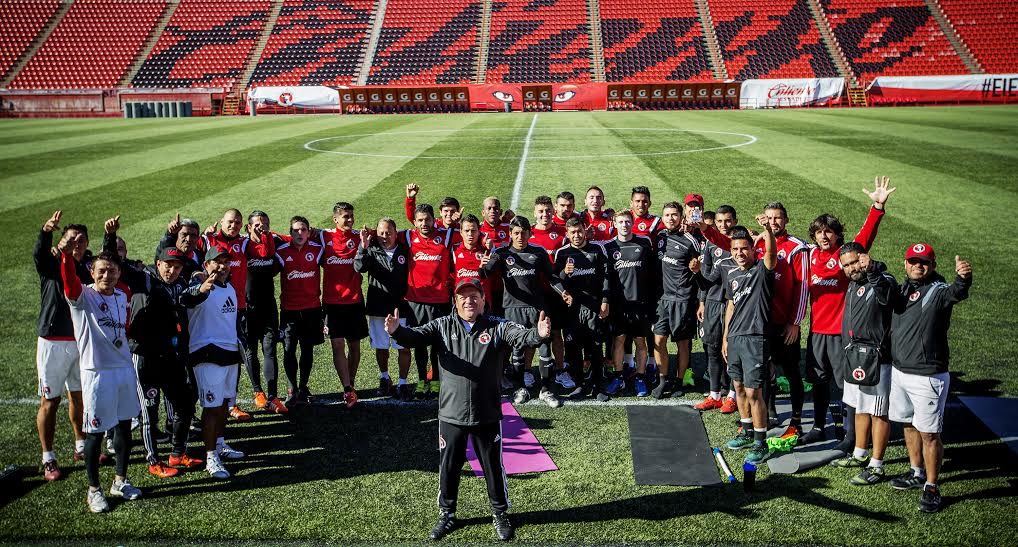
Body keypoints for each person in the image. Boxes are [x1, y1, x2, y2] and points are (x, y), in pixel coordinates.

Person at [386, 278, 552, 542]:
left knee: (493, 467)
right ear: (455, 301)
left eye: (475, 296)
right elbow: (415, 337)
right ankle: (447, 514)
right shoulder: (442, 325)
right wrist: (396, 331)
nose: (469, 300)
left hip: (487, 413)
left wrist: (540, 334)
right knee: (449, 466)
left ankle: (499, 513)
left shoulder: (498, 326)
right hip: (451, 414)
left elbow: (522, 337)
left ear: (484, 300)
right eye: (463, 296)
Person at [800, 177, 894, 447]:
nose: (823, 236)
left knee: (847, 386)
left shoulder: (845, 256)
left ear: (838, 234)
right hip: (817, 331)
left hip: (843, 334)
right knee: (818, 382)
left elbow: (866, 236)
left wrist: (876, 208)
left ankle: (850, 435)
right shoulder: (808, 257)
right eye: (819, 232)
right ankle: (818, 427)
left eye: (829, 231)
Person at [701, 202, 808, 437]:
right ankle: (767, 415)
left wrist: (795, 321)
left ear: (786, 219)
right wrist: (705, 229)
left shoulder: (796, 247)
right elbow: (729, 245)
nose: (772, 222)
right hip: (761, 324)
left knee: (791, 371)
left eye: (777, 218)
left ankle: (797, 420)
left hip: (785, 322)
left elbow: (802, 287)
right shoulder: (754, 246)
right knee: (763, 373)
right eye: (769, 218)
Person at [887, 244, 972, 513]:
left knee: (930, 434)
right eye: (913, 261)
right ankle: (916, 472)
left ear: (933, 265)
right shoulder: (903, 288)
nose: (917, 266)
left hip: (928, 376)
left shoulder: (939, 290)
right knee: (908, 424)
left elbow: (956, 293)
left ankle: (932, 486)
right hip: (900, 371)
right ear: (905, 263)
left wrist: (963, 278)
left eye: (923, 262)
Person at [61, 248, 142, 512]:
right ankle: (93, 490)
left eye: (112, 271)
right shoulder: (83, 296)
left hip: (123, 368)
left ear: (119, 273)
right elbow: (69, 282)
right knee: (95, 433)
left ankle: (120, 480)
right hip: (96, 373)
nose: (107, 275)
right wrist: (65, 258)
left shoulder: (122, 295)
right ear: (92, 273)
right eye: (101, 271)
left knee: (124, 427)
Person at [481, 216, 569, 408]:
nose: (520, 237)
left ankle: (546, 390)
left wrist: (563, 292)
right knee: (517, 350)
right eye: (516, 233)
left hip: (538, 308)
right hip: (512, 309)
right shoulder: (502, 253)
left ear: (530, 233)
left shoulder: (538, 252)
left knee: (545, 347)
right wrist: (484, 265)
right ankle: (520, 388)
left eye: (524, 233)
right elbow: (486, 273)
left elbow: (552, 277)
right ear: (511, 234)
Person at [200, 208, 276, 422]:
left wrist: (263, 235)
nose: (233, 226)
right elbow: (185, 251)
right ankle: (211, 402)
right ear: (222, 222)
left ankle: (231, 404)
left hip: (238, 307)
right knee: (212, 355)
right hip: (211, 308)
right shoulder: (208, 240)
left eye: (237, 223)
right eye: (230, 222)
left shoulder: (243, 243)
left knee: (235, 355)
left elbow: (264, 253)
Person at [829, 243, 895, 485]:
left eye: (855, 262)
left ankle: (877, 465)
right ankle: (859, 453)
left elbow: (888, 296)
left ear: (865, 258)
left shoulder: (883, 278)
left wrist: (874, 270)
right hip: (855, 356)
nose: (851, 268)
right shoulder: (853, 283)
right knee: (859, 407)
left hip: (877, 359)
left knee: (878, 412)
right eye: (846, 265)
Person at [180, 246, 247, 480]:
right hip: (207, 353)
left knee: (224, 406)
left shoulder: (229, 287)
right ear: (206, 265)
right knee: (211, 407)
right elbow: (186, 298)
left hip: (229, 353)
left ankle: (220, 445)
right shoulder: (199, 288)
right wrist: (200, 288)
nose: (222, 266)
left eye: (226, 262)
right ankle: (210, 457)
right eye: (216, 262)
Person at [34, 211, 89, 481]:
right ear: (62, 242)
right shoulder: (51, 263)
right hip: (53, 342)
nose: (77, 244)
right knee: (50, 401)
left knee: (78, 396)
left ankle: (81, 445)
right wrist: (45, 233)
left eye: (81, 240)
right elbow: (39, 256)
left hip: (79, 342)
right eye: (71, 240)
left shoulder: (86, 266)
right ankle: (49, 457)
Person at [722, 218, 778, 465]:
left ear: (753, 249)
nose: (739, 253)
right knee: (739, 387)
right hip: (734, 339)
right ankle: (746, 432)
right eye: (735, 249)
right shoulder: (732, 274)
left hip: (755, 339)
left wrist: (767, 233)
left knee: (755, 392)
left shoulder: (762, 271)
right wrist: (725, 337)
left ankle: (760, 442)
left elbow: (771, 255)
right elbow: (731, 306)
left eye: (744, 248)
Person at [355, 217, 412, 400]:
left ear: (396, 233)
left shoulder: (405, 250)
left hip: (402, 307)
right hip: (378, 307)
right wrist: (363, 246)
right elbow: (359, 267)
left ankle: (403, 383)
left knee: (403, 347)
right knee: (381, 347)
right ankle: (384, 378)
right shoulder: (371, 249)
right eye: (380, 233)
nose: (384, 236)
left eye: (388, 233)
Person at [650, 200, 702, 399]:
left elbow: (700, 269)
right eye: (667, 215)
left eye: (674, 215)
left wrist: (696, 269)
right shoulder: (661, 236)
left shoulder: (690, 240)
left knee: (682, 343)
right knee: (659, 340)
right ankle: (663, 380)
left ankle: (679, 381)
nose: (670, 218)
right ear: (662, 218)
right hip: (663, 299)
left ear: (681, 217)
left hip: (683, 299)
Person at [553, 218, 610, 400]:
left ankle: (598, 386)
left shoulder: (597, 250)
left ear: (585, 230)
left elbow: (606, 277)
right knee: (573, 349)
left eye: (579, 231)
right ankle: (579, 385)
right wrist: (565, 275)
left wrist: (605, 301)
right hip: (572, 311)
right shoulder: (562, 253)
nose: (576, 236)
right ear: (567, 234)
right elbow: (554, 280)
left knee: (594, 347)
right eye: (572, 232)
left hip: (594, 308)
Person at [403, 203, 455, 399]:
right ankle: (421, 380)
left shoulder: (447, 236)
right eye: (420, 220)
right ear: (414, 222)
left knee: (436, 343)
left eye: (428, 219)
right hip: (416, 301)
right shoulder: (408, 236)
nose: (424, 223)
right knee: (419, 343)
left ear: (435, 220)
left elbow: (471, 236)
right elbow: (385, 232)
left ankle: (435, 381)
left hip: (440, 300)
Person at [320, 202, 369, 407]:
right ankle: (347, 389)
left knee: (355, 346)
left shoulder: (360, 236)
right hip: (332, 302)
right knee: (337, 345)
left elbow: (387, 232)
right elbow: (296, 235)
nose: (349, 220)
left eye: (351, 216)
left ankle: (352, 382)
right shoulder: (323, 237)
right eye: (345, 216)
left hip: (355, 300)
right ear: (335, 219)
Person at [603, 210, 656, 397]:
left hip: (640, 303)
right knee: (619, 341)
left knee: (640, 341)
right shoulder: (608, 247)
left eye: (627, 221)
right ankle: (618, 377)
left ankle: (640, 377)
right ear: (615, 224)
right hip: (619, 305)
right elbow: (606, 278)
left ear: (632, 223)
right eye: (621, 222)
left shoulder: (643, 243)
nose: (624, 225)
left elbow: (652, 274)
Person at [275, 216, 324, 411]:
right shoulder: (281, 251)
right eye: (295, 230)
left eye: (303, 229)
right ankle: (291, 388)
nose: (299, 233)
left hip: (312, 309)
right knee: (289, 349)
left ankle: (303, 387)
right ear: (290, 232)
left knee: (307, 349)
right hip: (289, 310)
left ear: (309, 231)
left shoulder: (317, 249)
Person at [695, 204, 738, 413]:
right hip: (713, 303)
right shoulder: (710, 245)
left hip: (734, 304)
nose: (723, 225)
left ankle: (732, 395)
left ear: (735, 221)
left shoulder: (740, 243)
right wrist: (702, 301)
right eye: (720, 221)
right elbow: (706, 277)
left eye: (728, 221)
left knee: (731, 351)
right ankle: (714, 395)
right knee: (712, 349)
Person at [528, 196, 573, 392]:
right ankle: (528, 371)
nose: (544, 215)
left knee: (556, 334)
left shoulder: (562, 234)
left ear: (552, 211)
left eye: (547, 211)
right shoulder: (528, 234)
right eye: (540, 211)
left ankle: (561, 369)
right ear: (534, 212)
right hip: (535, 295)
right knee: (532, 333)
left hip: (556, 293)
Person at [244, 211, 285, 412]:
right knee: (251, 350)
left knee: (269, 350)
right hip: (248, 308)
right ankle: (257, 391)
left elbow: (295, 237)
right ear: (248, 227)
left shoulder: (273, 240)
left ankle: (272, 396)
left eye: (266, 224)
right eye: (258, 224)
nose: (262, 227)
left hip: (269, 307)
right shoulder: (243, 246)